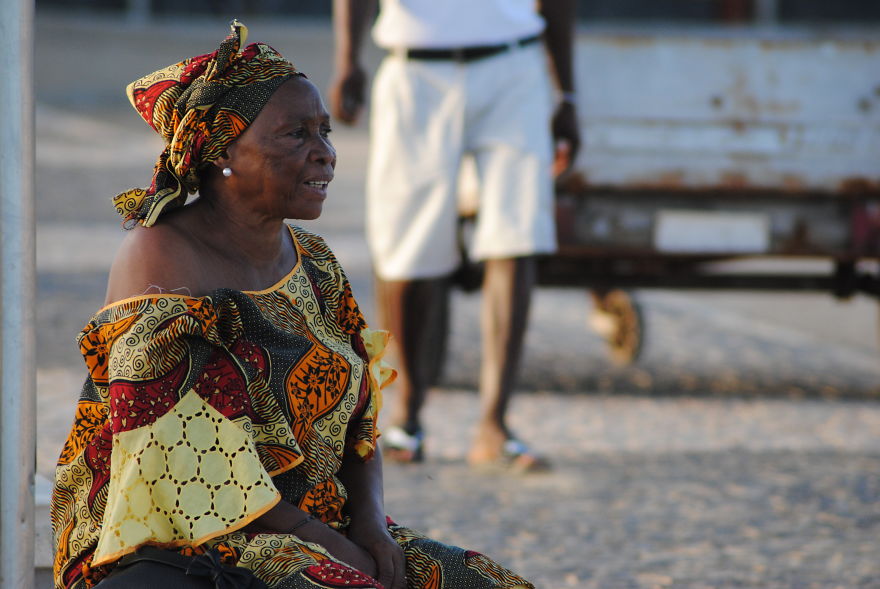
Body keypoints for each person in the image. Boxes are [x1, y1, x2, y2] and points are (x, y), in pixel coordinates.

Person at [50, 21, 534, 589]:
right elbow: (181, 458)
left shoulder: (315, 261)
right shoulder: (159, 256)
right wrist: (332, 547)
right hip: (190, 537)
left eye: (324, 131)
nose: (325, 154)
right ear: (223, 149)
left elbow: (360, 422)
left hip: (318, 527)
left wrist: (371, 525)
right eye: (295, 135)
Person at [330, 0, 581, 469]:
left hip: (515, 67)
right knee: (407, 249)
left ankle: (494, 425)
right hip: (414, 70)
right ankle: (407, 415)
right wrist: (348, 59)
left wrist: (568, 95)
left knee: (517, 239)